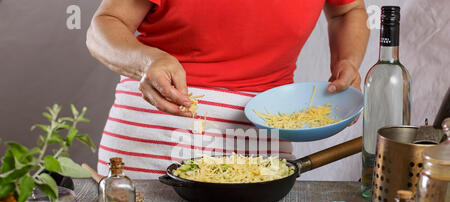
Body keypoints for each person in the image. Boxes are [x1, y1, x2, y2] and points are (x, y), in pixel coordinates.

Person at [86, 0, 369, 179]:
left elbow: (348, 9)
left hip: (260, 140)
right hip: (153, 135)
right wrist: (146, 61)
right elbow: (105, 25)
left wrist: (347, 61)